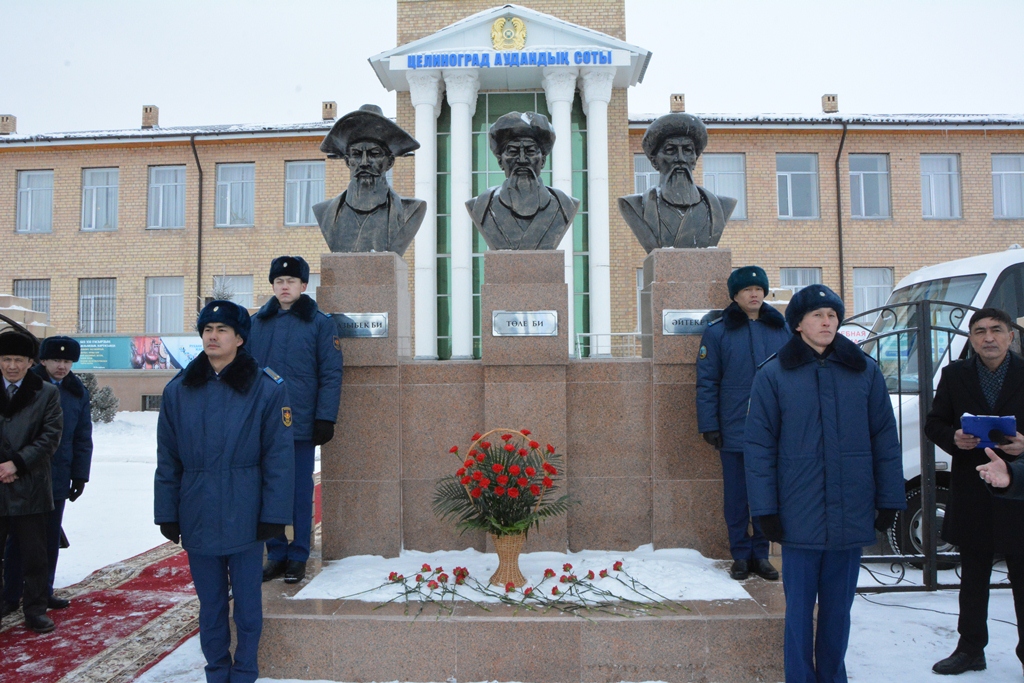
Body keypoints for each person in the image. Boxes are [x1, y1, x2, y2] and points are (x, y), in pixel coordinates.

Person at [744, 284, 905, 683]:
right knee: (799, 612)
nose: (827, 322)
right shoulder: (774, 374)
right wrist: (765, 509)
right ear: (798, 324)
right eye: (818, 315)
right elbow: (759, 447)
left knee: (839, 611)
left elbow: (884, 438)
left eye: (832, 315)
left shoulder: (863, 371)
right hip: (799, 517)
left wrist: (888, 499)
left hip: (850, 514)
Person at [155, 300, 294, 683]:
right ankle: (216, 670)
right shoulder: (178, 390)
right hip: (197, 508)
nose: (213, 337)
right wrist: (167, 511)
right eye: (207, 330)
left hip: (246, 510)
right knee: (211, 603)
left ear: (239, 337)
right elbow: (168, 458)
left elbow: (279, 458)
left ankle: (245, 669)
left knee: (247, 604)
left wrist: (274, 515)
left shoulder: (265, 389)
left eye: (221, 330)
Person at [924, 306, 1024, 675]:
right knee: (974, 576)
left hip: (1019, 490)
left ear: (1011, 335)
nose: (988, 338)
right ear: (971, 339)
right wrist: (953, 438)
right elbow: (934, 423)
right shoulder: (955, 375)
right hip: (973, 487)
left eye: (996, 330)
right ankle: (970, 649)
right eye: (979, 331)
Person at [248, 256, 343, 584]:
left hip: (302, 423)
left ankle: (299, 554)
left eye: (291, 281)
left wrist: (325, 417)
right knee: (268, 489)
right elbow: (247, 372)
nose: (284, 286)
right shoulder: (257, 323)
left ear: (304, 286)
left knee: (300, 491)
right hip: (265, 423)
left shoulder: (319, 323)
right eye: (279, 281)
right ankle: (275, 553)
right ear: (272, 286)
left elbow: (330, 373)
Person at [696, 266, 789, 581]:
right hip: (734, 428)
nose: (754, 294)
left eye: (759, 288)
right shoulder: (718, 331)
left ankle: (760, 555)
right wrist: (710, 424)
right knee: (737, 497)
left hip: (773, 430)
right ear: (735, 295)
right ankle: (740, 555)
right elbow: (707, 381)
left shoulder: (782, 329)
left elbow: (794, 380)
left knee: (765, 494)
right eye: (747, 289)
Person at [4, 336, 92, 613]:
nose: (62, 366)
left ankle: (43, 591)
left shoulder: (77, 392)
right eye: (56, 360)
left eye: (67, 361)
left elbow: (81, 437)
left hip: (55, 477)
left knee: (48, 539)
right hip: (17, 473)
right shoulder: (30, 386)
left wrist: (80, 475)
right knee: (17, 540)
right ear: (41, 361)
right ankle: (11, 592)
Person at [0, 330, 62, 633]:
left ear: (29, 362)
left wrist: (17, 463)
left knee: (34, 554)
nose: (12, 366)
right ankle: (4, 601)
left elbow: (50, 437)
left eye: (18, 360)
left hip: (31, 485)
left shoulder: (47, 393)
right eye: (6, 359)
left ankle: (35, 609)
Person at [312, 104, 426, 256]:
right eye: (357, 154)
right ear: (347, 161)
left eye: (374, 153)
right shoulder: (325, 212)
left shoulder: (411, 210)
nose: (364, 162)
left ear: (389, 162)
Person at [617, 112, 737, 252]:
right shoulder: (635, 206)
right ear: (654, 161)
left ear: (694, 160)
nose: (680, 158)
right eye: (670, 150)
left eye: (687, 150)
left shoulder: (721, 207)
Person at [465, 111, 580, 250]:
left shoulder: (564, 205)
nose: (522, 159)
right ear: (501, 161)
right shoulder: (481, 206)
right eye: (512, 151)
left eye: (530, 151)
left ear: (542, 160)